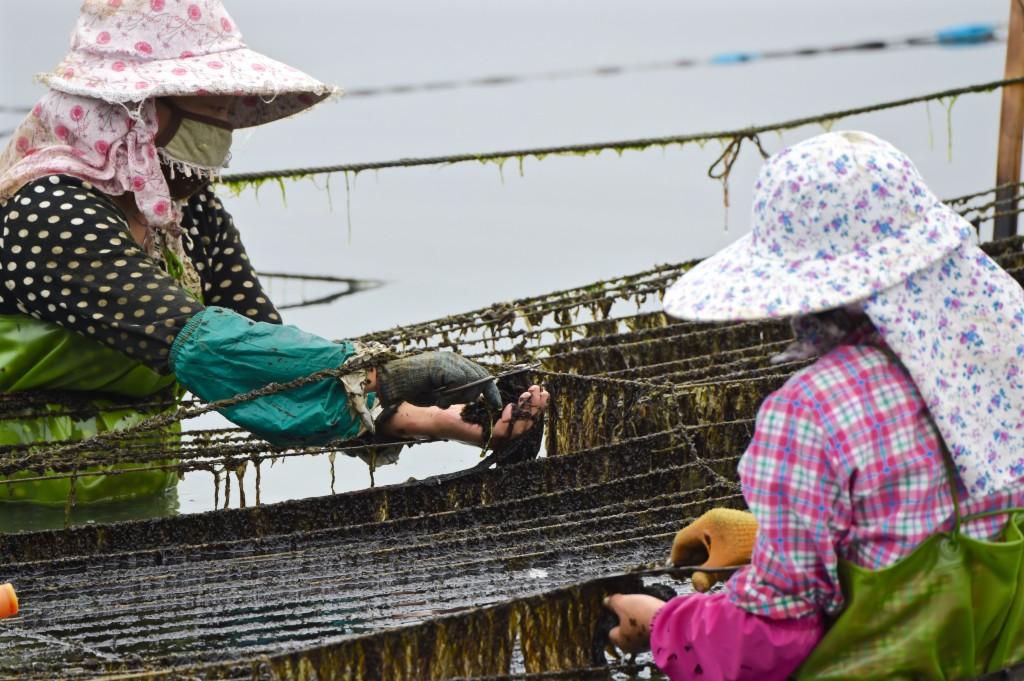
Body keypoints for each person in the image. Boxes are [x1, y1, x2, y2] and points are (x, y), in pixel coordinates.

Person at [0, 0, 547, 507]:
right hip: (19, 506)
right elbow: (198, 340)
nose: (225, 117)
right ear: (129, 110)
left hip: (139, 497)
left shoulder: (186, 214)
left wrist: (446, 421)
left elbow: (265, 356)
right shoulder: (47, 210)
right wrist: (385, 374)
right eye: (208, 96)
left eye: (228, 99)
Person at [602, 131, 1024, 680]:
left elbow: (774, 636)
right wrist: (764, 538)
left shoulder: (811, 411)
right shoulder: (1001, 352)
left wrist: (665, 624)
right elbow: (940, 514)